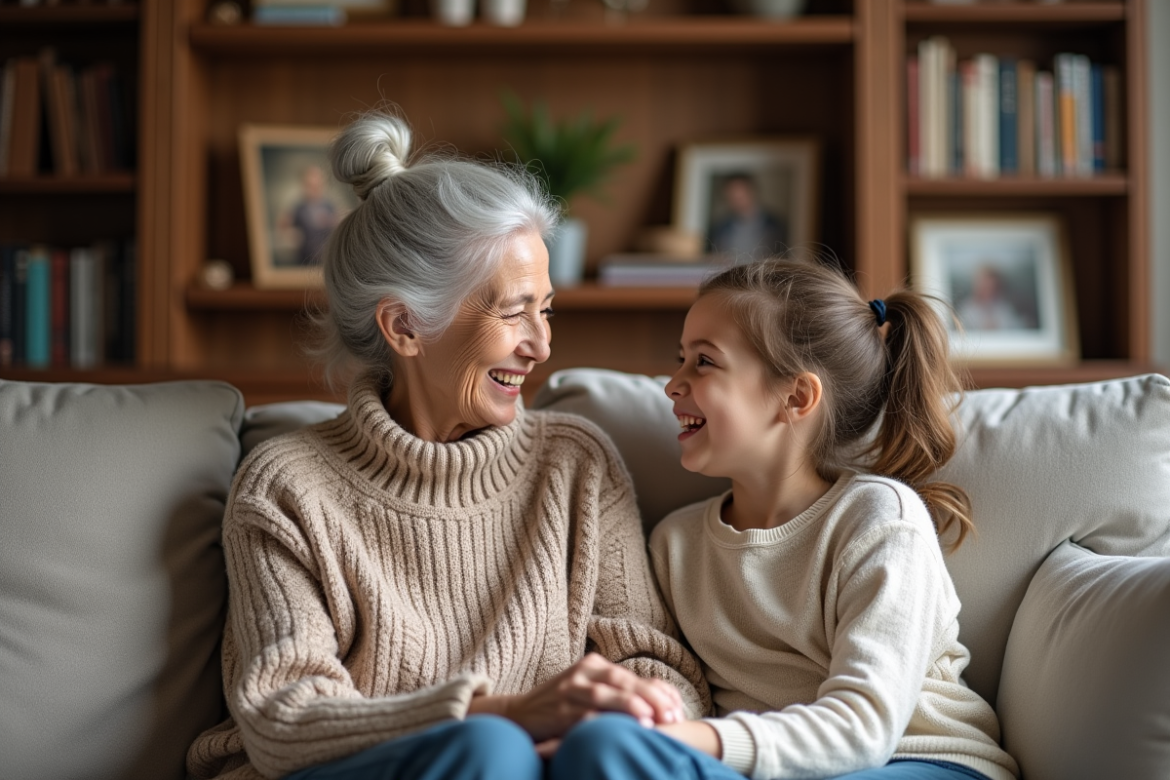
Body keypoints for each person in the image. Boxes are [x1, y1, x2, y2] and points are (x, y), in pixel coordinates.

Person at [186, 111, 709, 780]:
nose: (542, 345)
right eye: (514, 310)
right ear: (405, 326)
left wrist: (618, 717)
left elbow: (659, 665)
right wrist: (507, 717)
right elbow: (283, 719)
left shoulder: (576, 463)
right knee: (488, 750)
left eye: (545, 309)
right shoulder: (288, 485)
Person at [546, 259, 1020, 780]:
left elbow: (863, 729)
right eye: (679, 359)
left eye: (703, 362)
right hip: (770, 770)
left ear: (796, 397)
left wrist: (687, 739)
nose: (673, 385)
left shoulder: (879, 519)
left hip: (919, 760)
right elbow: (683, 694)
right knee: (604, 748)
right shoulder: (674, 543)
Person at [707, 173, 787, 263]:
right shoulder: (719, 228)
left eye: (740, 195)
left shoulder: (776, 226)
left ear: (752, 192)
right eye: (731, 196)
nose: (736, 201)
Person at [282, 163, 341, 266]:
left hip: (326, 259)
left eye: (317, 185)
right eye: (310, 185)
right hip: (304, 260)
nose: (314, 189)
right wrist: (289, 234)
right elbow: (284, 228)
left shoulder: (330, 207)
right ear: (304, 185)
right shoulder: (298, 208)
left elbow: (337, 225)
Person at [954, 264, 1029, 332]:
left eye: (992, 288)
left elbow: (1017, 326)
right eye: (985, 287)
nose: (988, 292)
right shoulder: (967, 309)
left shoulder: (1004, 307)